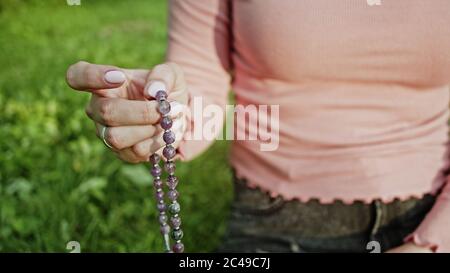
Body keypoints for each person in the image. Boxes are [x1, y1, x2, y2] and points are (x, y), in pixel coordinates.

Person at [66, 0, 450, 252]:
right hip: (275, 215)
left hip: (433, 211)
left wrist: (432, 243)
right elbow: (202, 88)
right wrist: (164, 113)